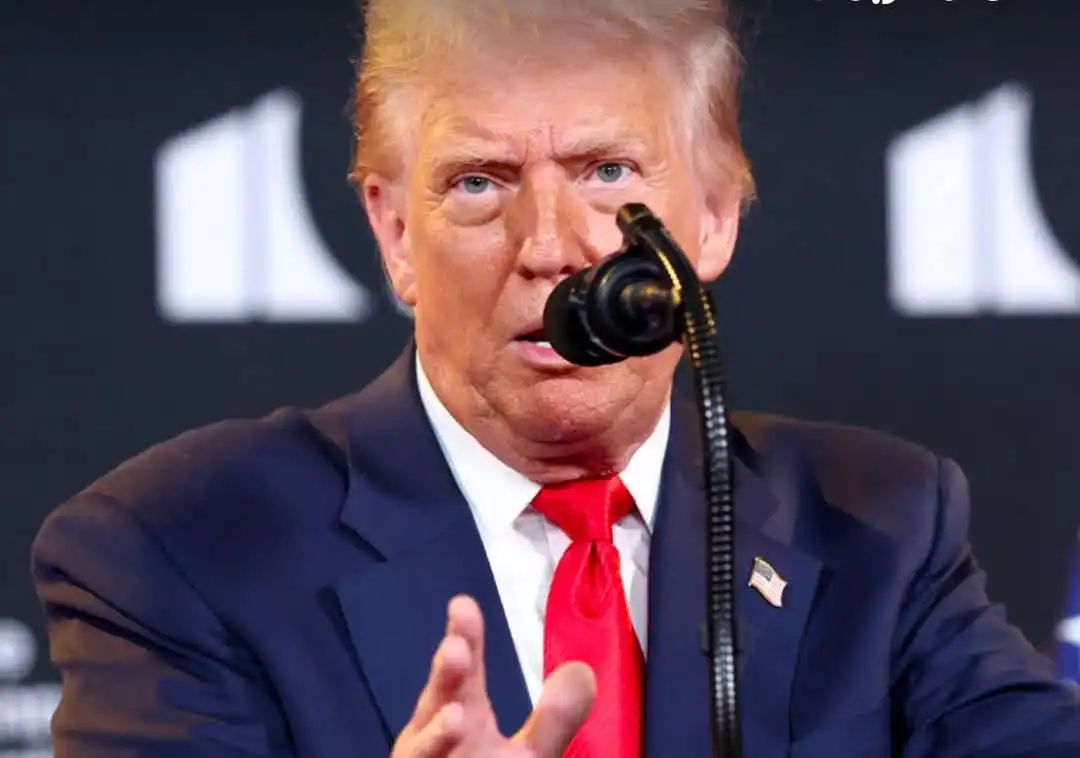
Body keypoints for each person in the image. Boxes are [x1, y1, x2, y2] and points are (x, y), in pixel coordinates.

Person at [30, 0, 1080, 756]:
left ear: (716, 212)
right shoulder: (179, 551)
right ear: (394, 234)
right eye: (478, 183)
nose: (550, 248)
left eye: (607, 173)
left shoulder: (881, 524)